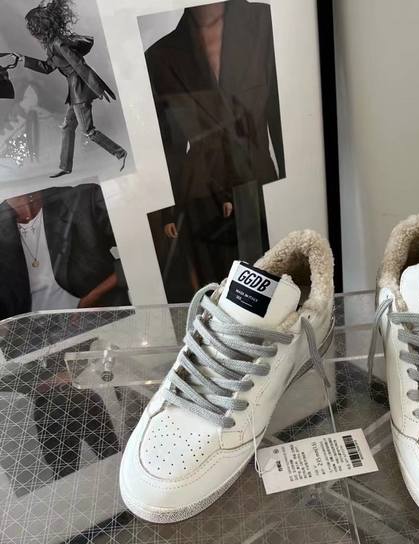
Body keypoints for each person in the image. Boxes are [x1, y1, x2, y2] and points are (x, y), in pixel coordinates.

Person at [144, 0, 285, 301]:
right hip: (201, 193)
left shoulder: (266, 20)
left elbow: (282, 114)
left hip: (260, 181)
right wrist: (170, 211)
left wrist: (295, 184)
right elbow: (167, 147)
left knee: (278, 294)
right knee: (220, 300)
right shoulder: (159, 55)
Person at [13, 0, 127, 178]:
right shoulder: (52, 44)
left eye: (31, 27)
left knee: (88, 131)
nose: (31, 31)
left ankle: (119, 153)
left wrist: (98, 87)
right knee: (68, 127)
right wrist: (23, 59)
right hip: (74, 90)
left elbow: (80, 65)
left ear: (38, 27)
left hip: (79, 90)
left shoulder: (58, 44)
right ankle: (66, 167)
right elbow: (47, 67)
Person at [0, 184, 129, 320]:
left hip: (99, 318)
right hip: (27, 330)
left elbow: (137, 247)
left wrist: (94, 296)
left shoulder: (83, 199)